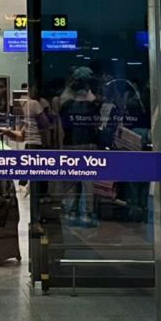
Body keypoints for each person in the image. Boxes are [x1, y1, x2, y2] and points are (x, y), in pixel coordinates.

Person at [60, 70, 102, 226]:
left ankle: (71, 211)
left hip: (70, 144)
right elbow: (98, 125)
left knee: (72, 180)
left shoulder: (66, 106)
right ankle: (88, 213)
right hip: (89, 145)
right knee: (88, 180)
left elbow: (62, 126)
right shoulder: (93, 107)